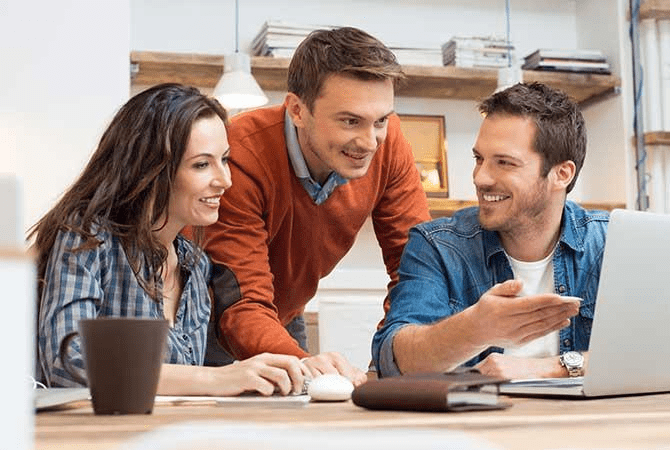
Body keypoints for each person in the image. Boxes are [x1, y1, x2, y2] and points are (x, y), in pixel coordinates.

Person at [33, 83, 309, 396]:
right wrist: (218, 379)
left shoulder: (195, 264)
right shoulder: (86, 239)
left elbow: (181, 385)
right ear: (151, 170)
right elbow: (69, 363)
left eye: (226, 160)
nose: (225, 180)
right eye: (202, 164)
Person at [202, 26, 431, 384]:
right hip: (211, 317)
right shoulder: (240, 152)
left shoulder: (389, 142)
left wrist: (390, 355)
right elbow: (240, 300)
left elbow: (416, 268)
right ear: (297, 109)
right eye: (350, 121)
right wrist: (307, 367)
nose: (370, 142)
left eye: (381, 120)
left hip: (284, 312)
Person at [372, 82, 609, 380]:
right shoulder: (437, 246)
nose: (480, 178)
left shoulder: (611, 244)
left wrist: (547, 368)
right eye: (479, 159)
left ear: (561, 174)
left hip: (592, 424)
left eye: (504, 163)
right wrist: (474, 329)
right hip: (476, 424)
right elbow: (394, 361)